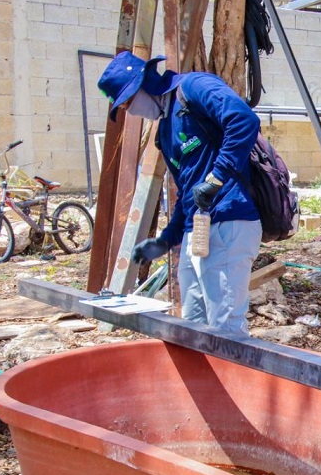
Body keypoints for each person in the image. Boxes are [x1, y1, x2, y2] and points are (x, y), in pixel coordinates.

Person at [97, 51, 262, 335]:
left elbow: (243, 120)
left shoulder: (193, 88)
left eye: (128, 103)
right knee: (194, 325)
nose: (130, 111)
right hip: (195, 231)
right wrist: (165, 240)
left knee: (225, 329)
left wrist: (217, 178)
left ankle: (233, 379)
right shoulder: (165, 131)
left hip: (229, 218)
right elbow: (187, 192)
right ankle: (202, 380)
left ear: (143, 85)